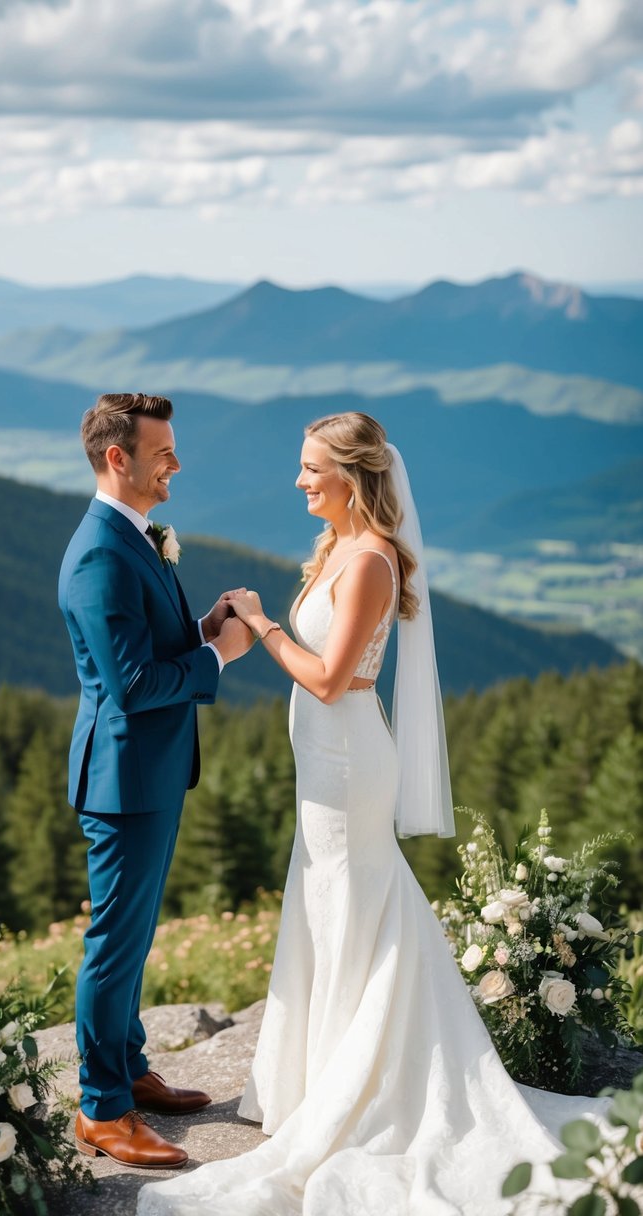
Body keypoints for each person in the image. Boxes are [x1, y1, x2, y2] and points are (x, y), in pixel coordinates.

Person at [137, 411, 604, 1214]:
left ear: (352, 474)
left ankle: (360, 1085)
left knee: (352, 901)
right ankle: (322, 1077)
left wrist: (260, 623)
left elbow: (327, 679)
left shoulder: (372, 563)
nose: (298, 480)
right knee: (327, 902)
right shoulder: (340, 551)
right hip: (325, 763)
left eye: (311, 467)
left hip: (350, 763)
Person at [58, 392, 253, 1170]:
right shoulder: (100, 552)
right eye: (162, 450)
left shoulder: (135, 536)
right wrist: (218, 659)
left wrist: (199, 629)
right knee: (113, 944)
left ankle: (129, 1067)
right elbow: (133, 686)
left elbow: (145, 645)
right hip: (124, 777)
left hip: (151, 772)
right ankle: (101, 1108)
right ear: (118, 458)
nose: (175, 463)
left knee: (133, 939)